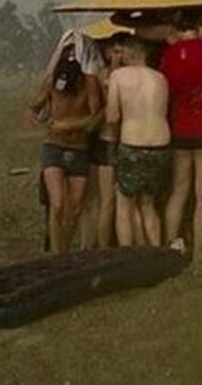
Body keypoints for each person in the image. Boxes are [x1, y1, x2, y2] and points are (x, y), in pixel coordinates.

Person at [161, 10, 202, 264]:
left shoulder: (169, 55)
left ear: (176, 30)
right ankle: (198, 255)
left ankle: (171, 249)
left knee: (178, 191)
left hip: (179, 129)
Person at [26, 43, 101, 254]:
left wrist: (72, 125)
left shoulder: (89, 83)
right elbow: (38, 104)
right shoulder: (52, 82)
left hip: (78, 148)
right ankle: (58, 255)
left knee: (75, 208)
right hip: (54, 146)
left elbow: (97, 116)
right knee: (57, 204)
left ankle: (65, 248)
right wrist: (33, 112)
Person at [106, 36, 171, 247]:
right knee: (148, 204)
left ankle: (128, 255)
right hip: (161, 144)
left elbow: (112, 116)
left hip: (133, 143)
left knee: (124, 204)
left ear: (130, 53)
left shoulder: (118, 76)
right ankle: (156, 251)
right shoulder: (160, 78)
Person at [82, 32, 130, 249]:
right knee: (106, 201)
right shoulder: (105, 75)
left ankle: (100, 243)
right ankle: (101, 247)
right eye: (114, 50)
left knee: (110, 201)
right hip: (107, 141)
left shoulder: (126, 75)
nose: (117, 54)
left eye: (120, 50)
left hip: (118, 140)